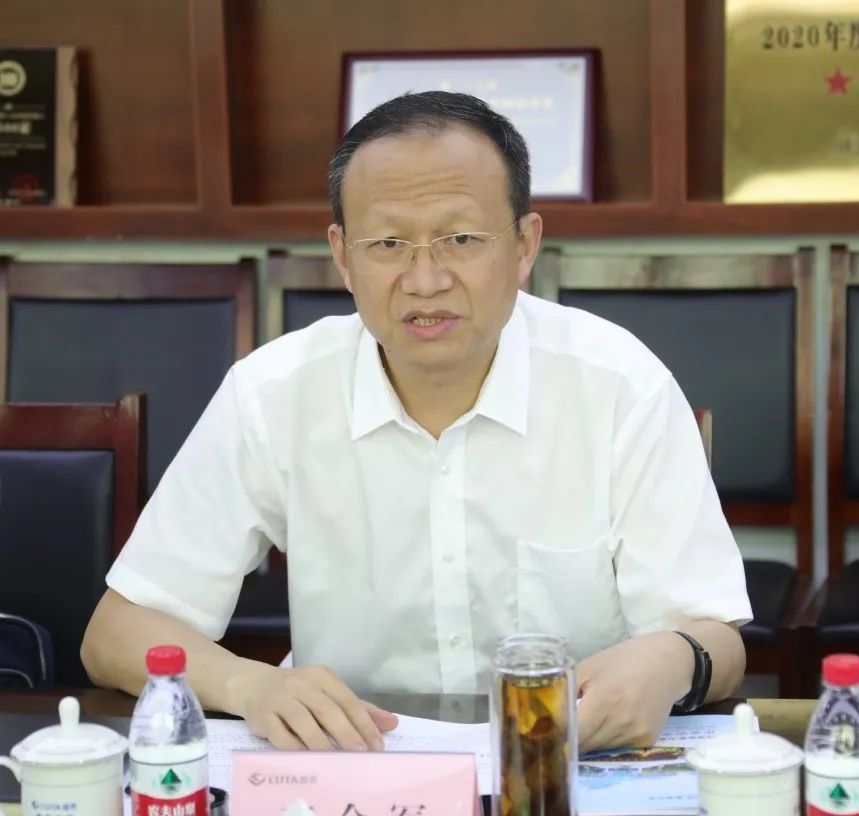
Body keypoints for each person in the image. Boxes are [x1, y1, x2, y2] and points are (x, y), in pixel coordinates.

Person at [81, 91, 751, 754]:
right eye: (387, 243)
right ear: (343, 256)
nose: (424, 280)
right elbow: (116, 633)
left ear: (524, 245)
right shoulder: (274, 393)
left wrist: (671, 662)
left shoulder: (620, 386)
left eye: (461, 240)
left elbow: (716, 637)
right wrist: (248, 685)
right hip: (354, 769)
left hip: (565, 763)